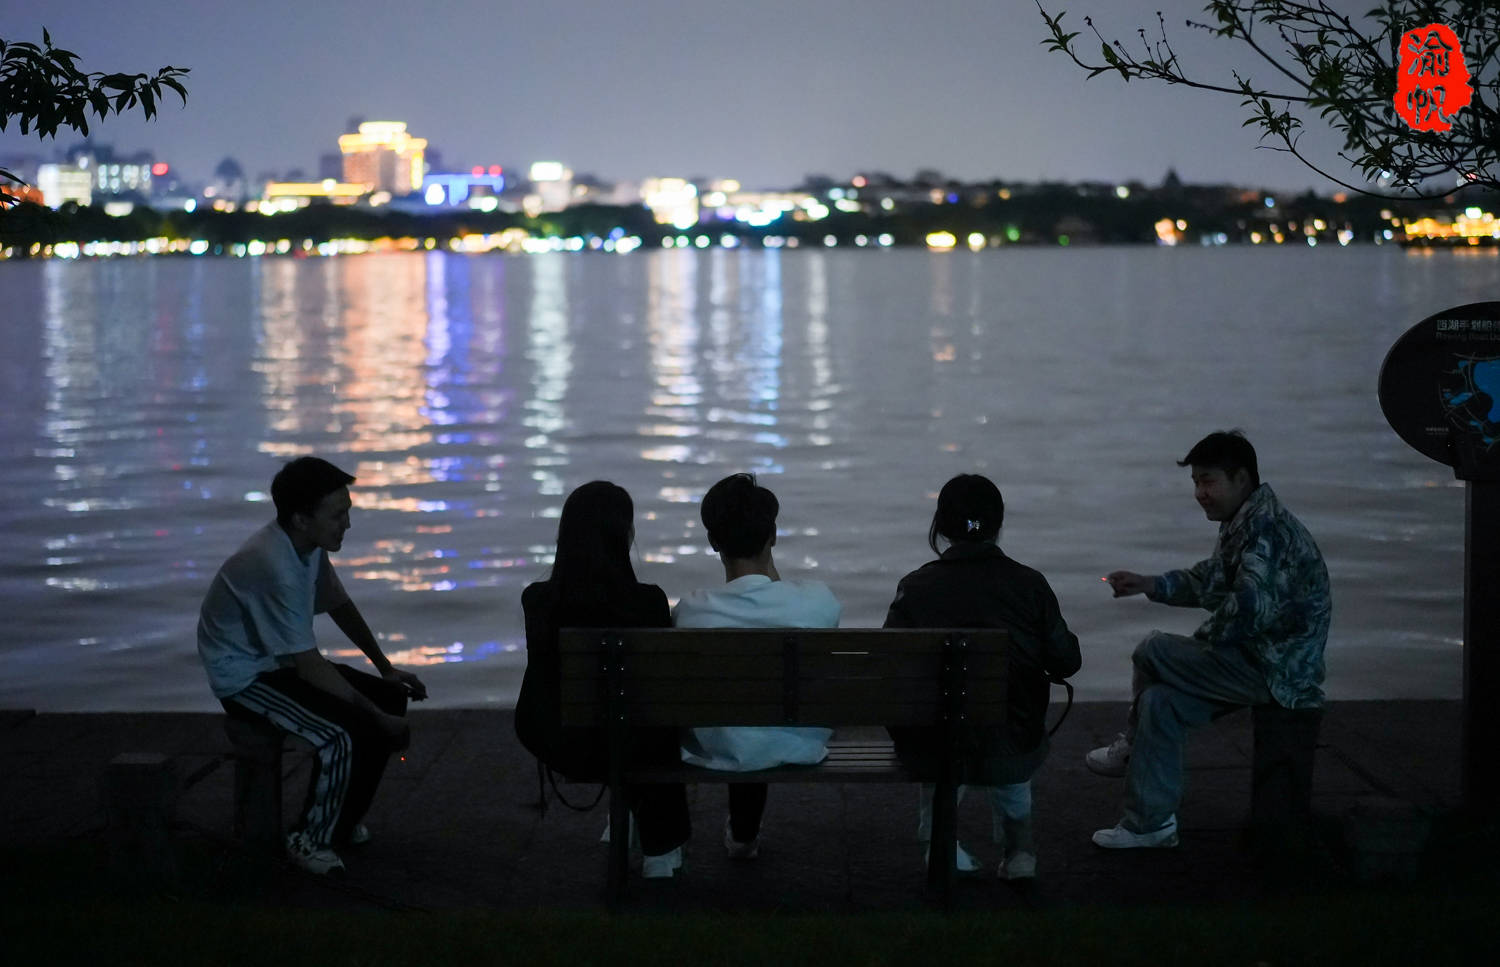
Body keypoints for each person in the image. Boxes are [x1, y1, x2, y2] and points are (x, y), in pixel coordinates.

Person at [1088, 430, 1331, 848]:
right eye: (1196, 482)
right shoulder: (1245, 521)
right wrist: (1149, 584)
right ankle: (1150, 826)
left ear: (1242, 479)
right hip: (1252, 661)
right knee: (1158, 703)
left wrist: (1202, 645)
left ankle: (1129, 747)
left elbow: (1250, 605)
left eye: (1208, 481)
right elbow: (1210, 581)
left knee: (1154, 648)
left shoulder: (1266, 530)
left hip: (1276, 671)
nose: (1200, 493)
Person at [197, 456, 427, 875]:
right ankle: (308, 837)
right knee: (339, 736)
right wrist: (374, 716)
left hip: (279, 662)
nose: (347, 525)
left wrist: (386, 670)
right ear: (302, 519)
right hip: (245, 675)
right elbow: (309, 667)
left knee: (391, 698)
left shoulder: (308, 547)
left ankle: (342, 818)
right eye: (338, 515)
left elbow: (338, 604)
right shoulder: (275, 563)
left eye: (348, 513)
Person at [883, 474, 1081, 879]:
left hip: (932, 745)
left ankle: (937, 845)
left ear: (941, 526)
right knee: (1006, 730)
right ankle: (1019, 851)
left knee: (940, 726)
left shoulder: (916, 587)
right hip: (1010, 743)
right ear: (997, 524)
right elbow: (1066, 662)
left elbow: (891, 666)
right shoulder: (1029, 585)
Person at [516, 481, 690, 878]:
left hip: (558, 737)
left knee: (621, 718)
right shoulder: (648, 602)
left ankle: (633, 824)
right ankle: (661, 851)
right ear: (624, 536)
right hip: (631, 740)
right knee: (646, 720)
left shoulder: (538, 600)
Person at [675, 472, 841, 861]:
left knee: (739, 718)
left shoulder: (693, 610)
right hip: (799, 742)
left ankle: (730, 834)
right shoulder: (819, 601)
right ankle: (744, 832)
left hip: (719, 746)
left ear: (714, 541)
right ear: (773, 537)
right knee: (762, 713)